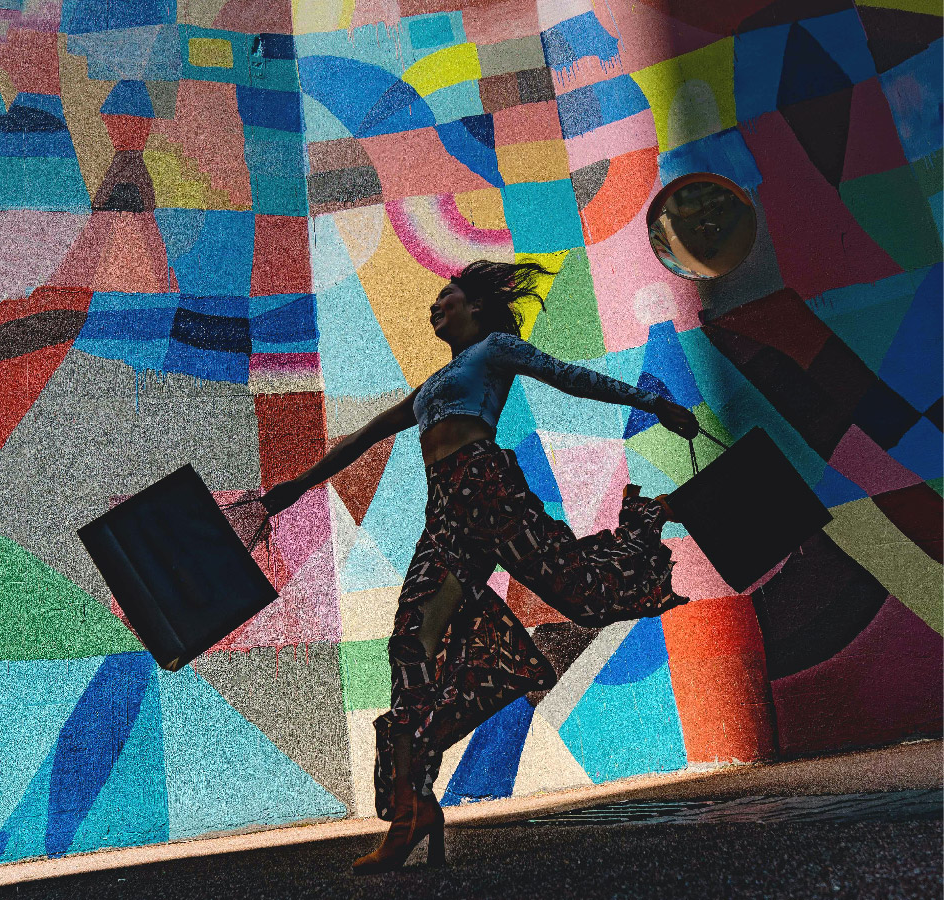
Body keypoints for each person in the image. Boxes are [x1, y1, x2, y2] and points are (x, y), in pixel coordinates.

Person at [227, 260, 699, 874]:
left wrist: (653, 402)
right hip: (445, 505)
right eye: (433, 302)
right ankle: (412, 808)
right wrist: (294, 488)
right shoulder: (431, 386)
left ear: (476, 307)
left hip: (486, 484)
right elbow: (367, 435)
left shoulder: (495, 350)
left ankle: (650, 515)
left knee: (584, 595)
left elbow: (569, 378)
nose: (434, 308)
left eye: (445, 298)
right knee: (410, 645)